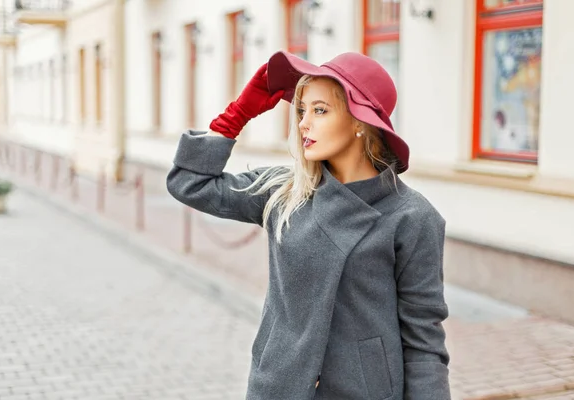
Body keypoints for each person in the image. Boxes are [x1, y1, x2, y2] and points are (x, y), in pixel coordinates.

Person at [166, 50, 451, 400]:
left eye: (320, 110)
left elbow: (424, 340)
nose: (303, 123)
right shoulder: (286, 191)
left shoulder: (412, 216)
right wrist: (237, 113)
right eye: (302, 110)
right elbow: (189, 184)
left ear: (359, 122)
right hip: (278, 386)